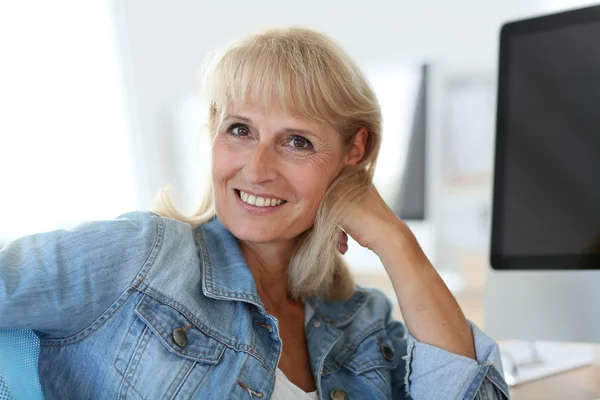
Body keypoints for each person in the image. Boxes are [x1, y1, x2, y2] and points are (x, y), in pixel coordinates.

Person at [0, 27, 509, 399]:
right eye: (240, 130)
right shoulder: (141, 256)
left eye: (296, 141)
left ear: (354, 151)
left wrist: (397, 244)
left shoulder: (363, 322)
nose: (257, 168)